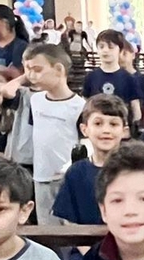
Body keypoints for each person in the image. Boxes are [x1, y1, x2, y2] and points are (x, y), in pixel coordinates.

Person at [10, 44, 83, 225]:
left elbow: (83, 143)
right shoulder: (35, 100)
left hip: (68, 178)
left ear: (59, 70)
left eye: (37, 70)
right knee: (46, 227)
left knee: (71, 228)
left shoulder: (79, 106)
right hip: (41, 176)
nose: (31, 75)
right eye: (28, 70)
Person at [52, 95, 129, 227]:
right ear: (84, 129)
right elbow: (68, 220)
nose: (106, 130)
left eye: (113, 124)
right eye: (98, 124)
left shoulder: (136, 171)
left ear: (124, 131)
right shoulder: (76, 173)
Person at [81, 30, 142, 127]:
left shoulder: (129, 78)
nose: (105, 50)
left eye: (111, 47)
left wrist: (131, 128)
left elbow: (136, 110)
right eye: (101, 46)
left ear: (120, 50)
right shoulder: (90, 77)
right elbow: (85, 105)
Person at [122, 43, 144, 131]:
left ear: (133, 55)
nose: (121, 58)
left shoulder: (141, 79)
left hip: (137, 127)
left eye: (125, 53)